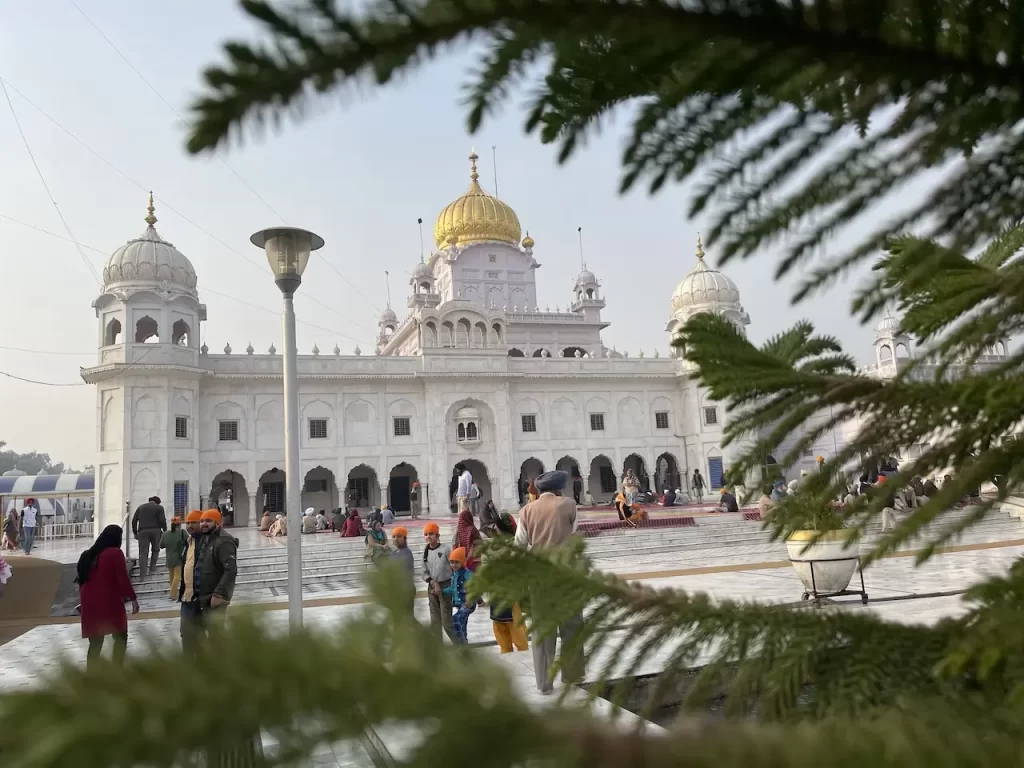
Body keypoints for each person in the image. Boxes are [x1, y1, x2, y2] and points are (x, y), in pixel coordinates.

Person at [514, 470, 584, 694]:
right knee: (571, 625)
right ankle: (572, 676)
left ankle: (544, 683)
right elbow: (575, 539)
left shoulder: (526, 511)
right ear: (559, 488)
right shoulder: (569, 505)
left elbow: (519, 546)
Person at [77, 525, 139, 669]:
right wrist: (133, 598)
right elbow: (122, 579)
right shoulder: (115, 553)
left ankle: (91, 673)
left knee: (96, 642)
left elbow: (81, 581)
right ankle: (116, 668)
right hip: (109, 601)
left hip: (89, 604)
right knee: (120, 635)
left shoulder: (87, 554)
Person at [179, 509, 238, 653]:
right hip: (196, 597)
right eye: (202, 521)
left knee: (215, 637)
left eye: (208, 521)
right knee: (192, 635)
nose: (203, 524)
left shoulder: (223, 540)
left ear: (218, 522)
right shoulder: (204, 539)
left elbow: (230, 570)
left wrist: (218, 595)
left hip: (212, 597)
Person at [422, 522, 456, 642]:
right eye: (426, 534)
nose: (428, 537)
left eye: (431, 534)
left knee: (447, 623)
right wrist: (433, 582)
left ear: (437, 535)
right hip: (432, 589)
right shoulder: (425, 552)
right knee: (435, 623)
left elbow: (454, 567)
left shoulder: (446, 549)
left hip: (446, 587)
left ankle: (460, 646)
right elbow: (424, 572)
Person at [443, 547, 474, 644]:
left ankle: (461, 643)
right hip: (460, 605)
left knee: (455, 619)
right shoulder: (454, 575)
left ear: (462, 562)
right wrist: (442, 591)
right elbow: (452, 589)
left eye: (456, 562)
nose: (454, 565)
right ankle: (465, 644)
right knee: (462, 624)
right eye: (452, 562)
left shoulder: (467, 574)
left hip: (467, 604)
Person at [131, 495, 167, 579]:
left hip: (143, 531)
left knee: (143, 553)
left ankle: (143, 574)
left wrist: (135, 532)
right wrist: (165, 531)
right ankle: (152, 569)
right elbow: (162, 520)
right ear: (157, 502)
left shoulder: (140, 507)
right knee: (155, 549)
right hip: (156, 531)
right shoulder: (159, 507)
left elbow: (134, 520)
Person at [159, 517, 188, 601]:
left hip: (169, 558)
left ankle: (173, 595)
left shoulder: (165, 534)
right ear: (179, 524)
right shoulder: (182, 532)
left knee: (171, 577)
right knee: (177, 576)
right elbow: (188, 541)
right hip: (179, 557)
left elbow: (161, 546)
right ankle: (172, 594)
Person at [389, 526, 415, 614]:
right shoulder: (394, 553)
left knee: (407, 619)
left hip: (405, 591)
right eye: (394, 537)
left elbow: (405, 574)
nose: (396, 539)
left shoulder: (406, 553)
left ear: (404, 538)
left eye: (399, 536)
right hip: (396, 591)